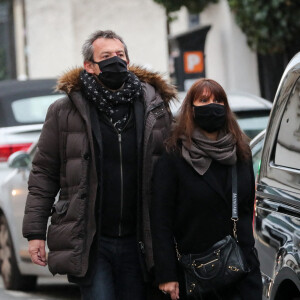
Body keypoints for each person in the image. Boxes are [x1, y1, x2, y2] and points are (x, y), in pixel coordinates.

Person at [22, 30, 175, 300]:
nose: (115, 61)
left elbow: (174, 166)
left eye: (120, 55)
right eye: (106, 57)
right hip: (91, 240)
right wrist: (35, 232)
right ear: (89, 66)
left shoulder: (154, 108)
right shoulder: (65, 111)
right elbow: (44, 173)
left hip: (138, 240)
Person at [150, 78, 263, 300]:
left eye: (218, 100)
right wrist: (167, 274)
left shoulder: (241, 153)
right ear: (191, 109)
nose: (212, 105)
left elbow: (247, 208)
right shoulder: (174, 157)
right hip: (196, 274)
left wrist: (249, 253)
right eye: (204, 100)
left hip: (241, 270)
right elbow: (160, 221)